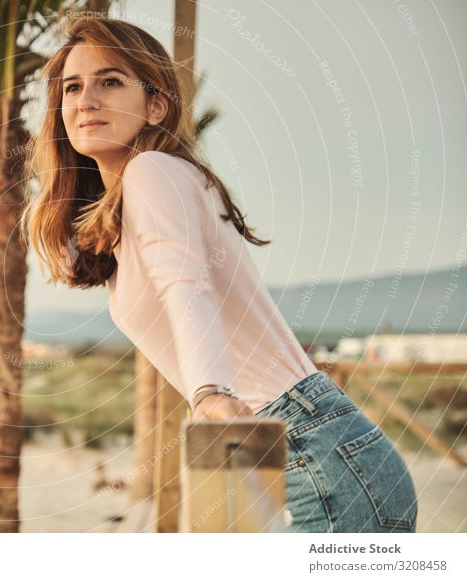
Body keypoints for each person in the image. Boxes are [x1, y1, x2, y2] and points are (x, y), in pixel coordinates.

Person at [21, 15, 417, 533]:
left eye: (110, 81)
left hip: (309, 451)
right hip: (292, 445)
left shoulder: (153, 171)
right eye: (72, 87)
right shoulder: (133, 207)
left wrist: (208, 391)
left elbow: (187, 285)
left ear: (156, 104)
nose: (86, 100)